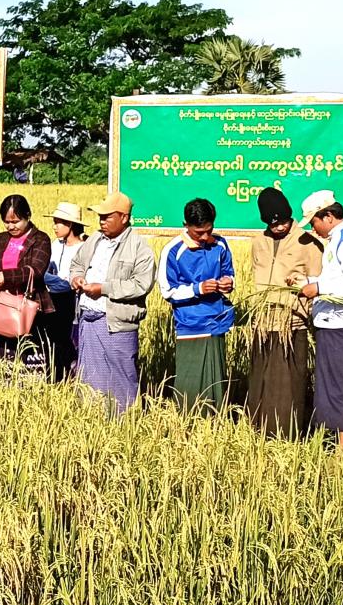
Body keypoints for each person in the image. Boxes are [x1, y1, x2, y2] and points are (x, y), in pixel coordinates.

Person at [246, 187, 323, 437]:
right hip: (262, 322)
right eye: (272, 223)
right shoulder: (258, 242)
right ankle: (258, 431)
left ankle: (286, 434)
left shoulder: (308, 243)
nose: (278, 227)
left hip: (292, 323)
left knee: (288, 382)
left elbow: (318, 282)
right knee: (261, 378)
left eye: (283, 222)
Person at [299, 191, 343, 454]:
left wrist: (318, 288)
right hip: (331, 322)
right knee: (331, 385)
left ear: (328, 216)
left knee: (341, 387)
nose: (312, 228)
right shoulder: (337, 239)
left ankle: (342, 452)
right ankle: (334, 441)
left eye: (314, 222)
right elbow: (337, 278)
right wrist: (308, 284)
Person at [69, 191, 155, 412]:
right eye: (100, 217)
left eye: (107, 217)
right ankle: (92, 419)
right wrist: (76, 278)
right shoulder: (95, 239)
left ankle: (124, 422)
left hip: (116, 323)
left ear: (124, 217)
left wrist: (104, 288)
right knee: (89, 376)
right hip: (88, 319)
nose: (101, 221)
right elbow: (77, 264)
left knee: (120, 377)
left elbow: (141, 284)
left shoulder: (139, 247)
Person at [158, 198, 236, 410]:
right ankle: (188, 422)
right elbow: (167, 290)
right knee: (190, 383)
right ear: (186, 225)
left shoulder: (220, 244)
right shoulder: (173, 250)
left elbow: (229, 272)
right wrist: (198, 289)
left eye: (209, 231)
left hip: (218, 322)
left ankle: (216, 421)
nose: (204, 237)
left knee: (216, 381)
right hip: (190, 325)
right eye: (198, 232)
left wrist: (228, 282)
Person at [0, 193, 53, 371]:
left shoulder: (41, 239)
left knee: (30, 363)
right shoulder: (2, 238)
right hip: (3, 308)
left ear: (28, 216)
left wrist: (5, 277)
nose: (11, 226)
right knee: (3, 362)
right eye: (6, 222)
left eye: (16, 221)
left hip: (29, 308)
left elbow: (36, 270)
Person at [40, 202, 85, 379]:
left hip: (71, 300)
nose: (55, 227)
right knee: (53, 341)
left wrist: (53, 279)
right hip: (52, 298)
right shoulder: (55, 245)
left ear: (70, 224)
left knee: (68, 339)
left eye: (58, 222)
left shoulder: (83, 248)